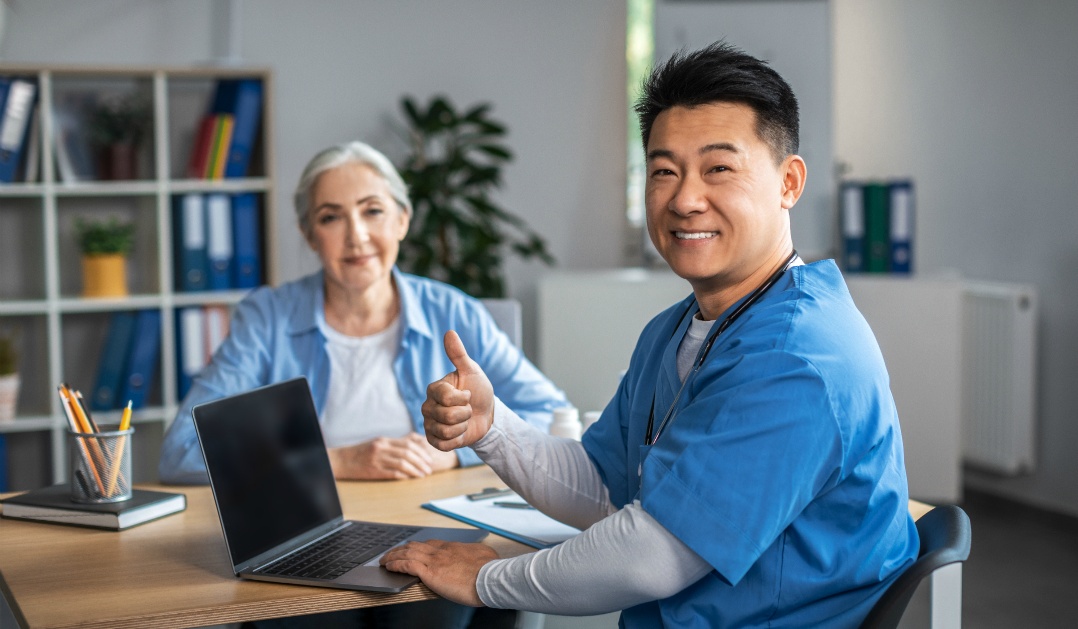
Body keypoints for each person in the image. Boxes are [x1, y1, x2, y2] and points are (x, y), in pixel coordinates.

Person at [381, 42, 920, 627]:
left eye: (718, 168)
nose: (686, 199)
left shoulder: (798, 358)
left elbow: (652, 558)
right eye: (664, 171)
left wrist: (485, 579)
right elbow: (605, 489)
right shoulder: (677, 328)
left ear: (788, 183)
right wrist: (494, 430)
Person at [159, 141, 567, 628]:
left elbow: (551, 414)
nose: (357, 236)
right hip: (310, 538)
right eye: (331, 217)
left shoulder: (453, 310)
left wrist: (450, 451)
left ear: (402, 220)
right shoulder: (267, 317)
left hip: (432, 527)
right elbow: (182, 451)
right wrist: (337, 460)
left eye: (372, 211)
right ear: (310, 234)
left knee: (439, 608)